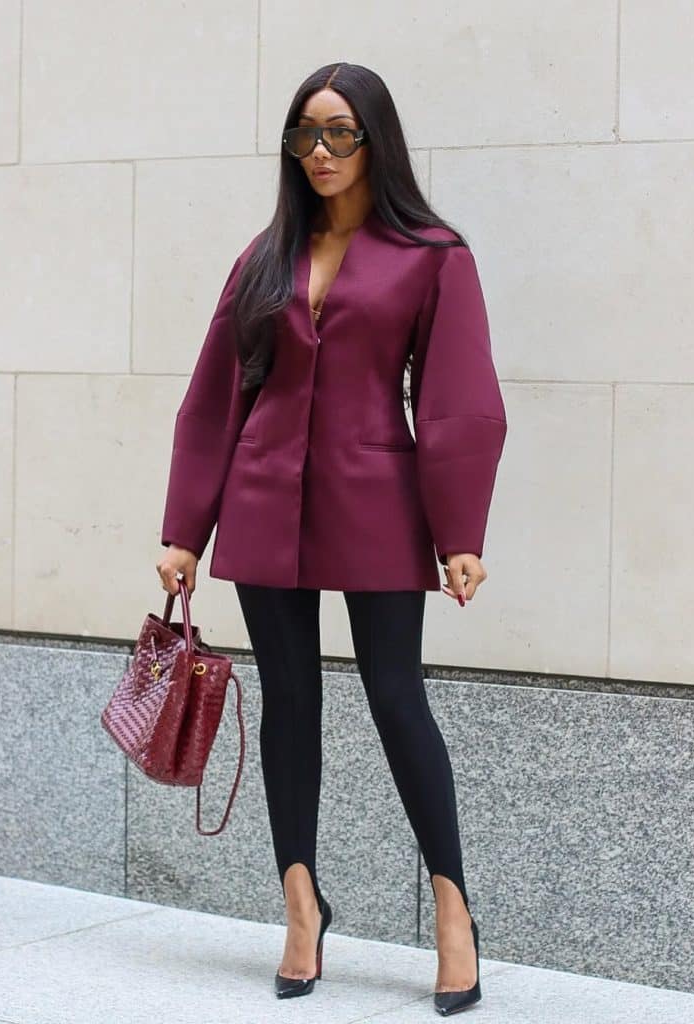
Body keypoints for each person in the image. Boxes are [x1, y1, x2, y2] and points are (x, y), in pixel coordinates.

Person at [156, 61, 507, 1017]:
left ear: (375, 140)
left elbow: (458, 404)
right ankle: (302, 910)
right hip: (264, 497)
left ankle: (452, 913)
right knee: (289, 705)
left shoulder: (432, 255)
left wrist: (458, 532)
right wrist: (186, 527)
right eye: (306, 132)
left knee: (398, 698)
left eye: (341, 132)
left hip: (376, 499)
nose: (320, 151)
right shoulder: (262, 257)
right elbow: (213, 397)